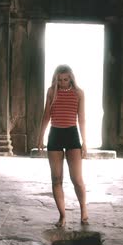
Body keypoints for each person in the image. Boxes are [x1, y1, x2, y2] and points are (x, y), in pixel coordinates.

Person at [38, 64, 88, 228]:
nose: (63, 83)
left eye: (66, 79)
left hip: (72, 135)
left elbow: (81, 119)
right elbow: (46, 116)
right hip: (55, 136)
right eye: (59, 80)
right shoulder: (51, 92)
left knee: (77, 179)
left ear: (71, 78)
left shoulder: (79, 93)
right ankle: (62, 216)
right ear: (55, 79)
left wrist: (84, 142)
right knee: (56, 179)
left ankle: (83, 210)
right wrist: (40, 137)